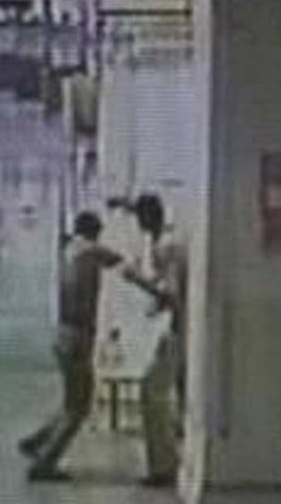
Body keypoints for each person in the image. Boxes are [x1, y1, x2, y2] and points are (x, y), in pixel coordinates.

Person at [18, 211, 124, 481]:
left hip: (63, 334)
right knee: (80, 408)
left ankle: (37, 441)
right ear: (94, 231)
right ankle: (44, 464)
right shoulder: (89, 250)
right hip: (78, 338)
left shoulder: (69, 251)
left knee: (70, 402)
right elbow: (119, 262)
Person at [117, 193, 188, 487]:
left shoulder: (166, 246)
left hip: (177, 329)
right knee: (164, 394)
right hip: (175, 327)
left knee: (152, 392)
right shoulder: (164, 242)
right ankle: (168, 461)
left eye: (139, 217)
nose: (138, 224)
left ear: (148, 217)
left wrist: (137, 280)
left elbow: (172, 294)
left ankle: (164, 466)